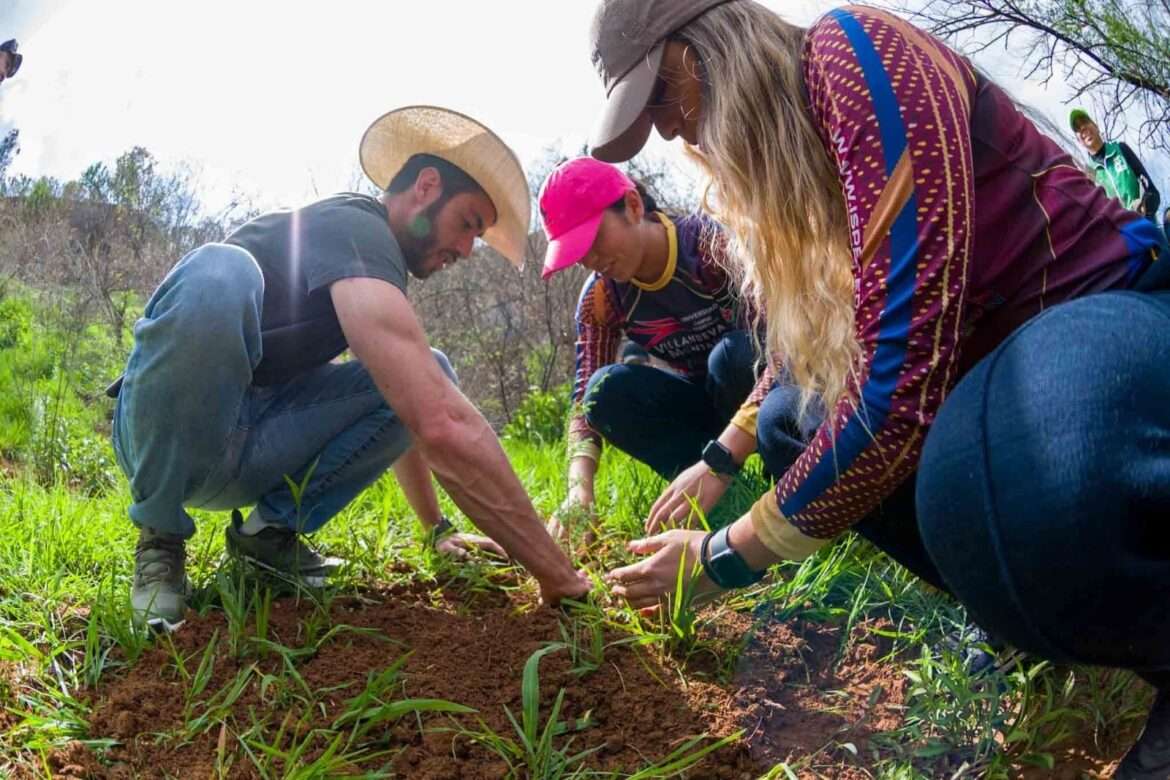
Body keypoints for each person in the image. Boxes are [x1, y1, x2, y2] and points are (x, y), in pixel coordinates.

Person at [584, 2, 1169, 777]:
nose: (671, 134)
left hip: (1103, 319)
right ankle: (1020, 610)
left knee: (988, 480)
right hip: (988, 380)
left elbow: (901, 380)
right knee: (795, 421)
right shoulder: (801, 156)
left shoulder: (853, 55)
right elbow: (808, 350)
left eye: (662, 98)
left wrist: (725, 553)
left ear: (709, 46)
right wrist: (722, 457)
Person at [111, 106, 590, 630]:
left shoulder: (369, 267)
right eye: (468, 224)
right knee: (220, 270)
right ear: (427, 187)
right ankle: (160, 538)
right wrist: (559, 575)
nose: (467, 249)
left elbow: (408, 403)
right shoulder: (356, 227)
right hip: (166, 435)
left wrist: (436, 530)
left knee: (432, 370)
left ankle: (267, 539)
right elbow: (442, 423)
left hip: (250, 441)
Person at [538, 157, 801, 542]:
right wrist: (579, 491)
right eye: (578, 254)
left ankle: (784, 483)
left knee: (730, 356)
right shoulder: (601, 298)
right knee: (603, 391)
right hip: (701, 409)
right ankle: (723, 502)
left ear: (632, 206)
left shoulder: (713, 247)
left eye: (594, 241)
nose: (593, 261)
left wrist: (721, 458)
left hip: (765, 396)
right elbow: (583, 404)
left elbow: (788, 349)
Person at [1070, 108, 1161, 222]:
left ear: (1096, 126)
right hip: (1121, 235)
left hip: (1146, 225)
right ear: (1079, 141)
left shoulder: (1121, 149)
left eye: (1085, 122)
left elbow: (1152, 192)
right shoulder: (1088, 173)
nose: (1082, 128)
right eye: (1077, 128)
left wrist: (1144, 206)